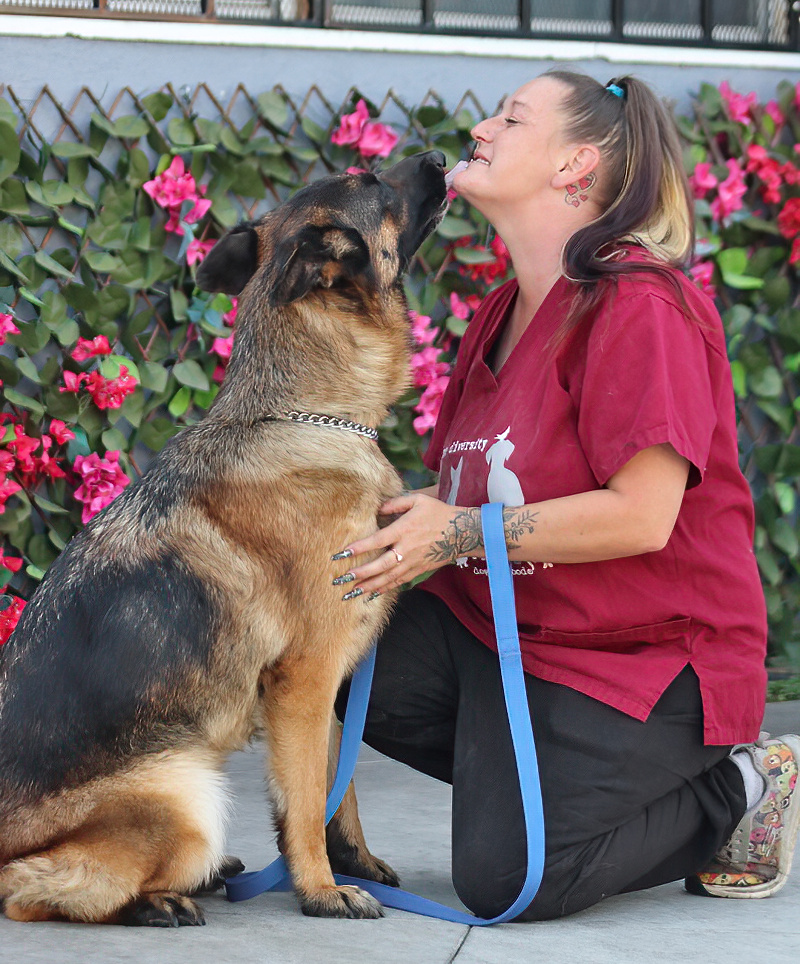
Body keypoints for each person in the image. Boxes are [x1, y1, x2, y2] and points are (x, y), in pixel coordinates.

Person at [331, 70, 800, 919]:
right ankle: (539, 785)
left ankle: (738, 784)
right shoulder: (499, 312)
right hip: (508, 631)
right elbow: (464, 487)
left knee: (508, 876)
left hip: (645, 655)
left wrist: (456, 532)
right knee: (325, 639)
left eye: (511, 118)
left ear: (575, 165)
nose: (481, 127)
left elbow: (642, 516)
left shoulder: (641, 304)